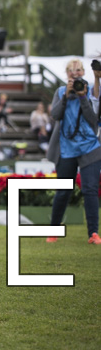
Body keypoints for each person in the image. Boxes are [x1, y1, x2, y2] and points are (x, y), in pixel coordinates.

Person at [46, 59, 101, 245]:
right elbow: (55, 116)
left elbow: (93, 119)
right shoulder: (60, 92)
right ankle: (53, 231)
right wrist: (66, 96)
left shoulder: (93, 90)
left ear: (84, 72)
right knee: (63, 191)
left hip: (90, 148)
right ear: (67, 74)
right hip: (66, 148)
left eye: (78, 70)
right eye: (71, 71)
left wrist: (82, 97)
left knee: (90, 190)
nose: (75, 73)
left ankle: (93, 233)